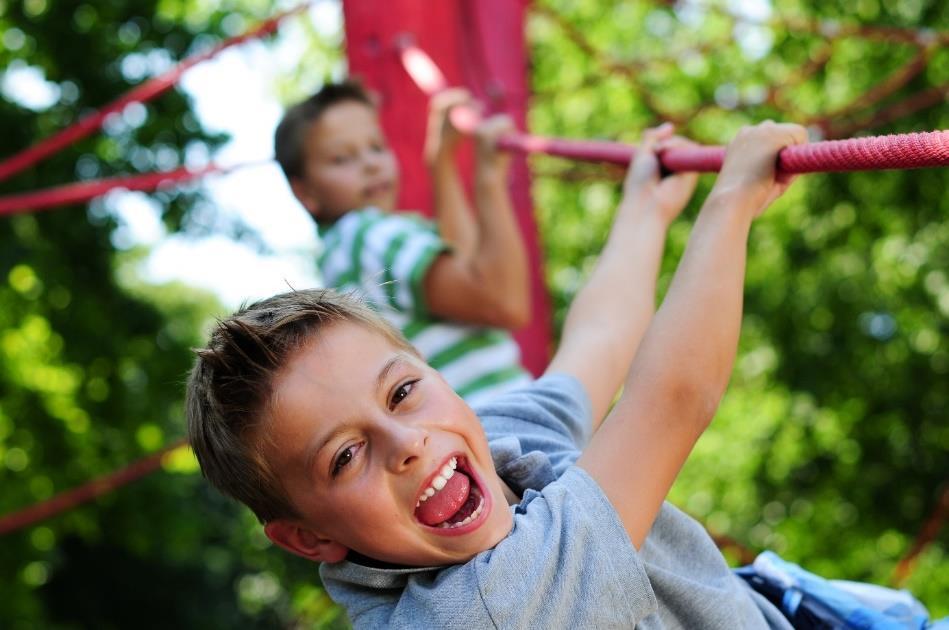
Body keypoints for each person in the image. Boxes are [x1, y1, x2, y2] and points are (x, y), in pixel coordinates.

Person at [187, 122, 942, 628]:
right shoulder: (484, 610)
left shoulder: (493, 447)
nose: (406, 442)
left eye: (403, 391)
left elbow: (600, 341)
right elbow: (668, 403)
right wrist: (731, 200)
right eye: (345, 456)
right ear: (308, 538)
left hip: (801, 607)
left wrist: (645, 211)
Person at [274, 82, 532, 406]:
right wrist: (489, 179)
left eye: (377, 147)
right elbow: (503, 301)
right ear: (305, 192)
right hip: (501, 411)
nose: (370, 163)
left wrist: (442, 164)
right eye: (342, 158)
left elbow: (465, 267)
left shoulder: (344, 255)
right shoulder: (365, 235)